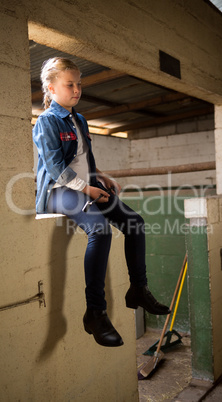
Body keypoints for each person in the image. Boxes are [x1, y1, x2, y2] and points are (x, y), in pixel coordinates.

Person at [33, 57, 170, 348]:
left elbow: (83, 161)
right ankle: (95, 312)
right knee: (100, 229)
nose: (77, 89)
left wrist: (100, 177)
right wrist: (88, 190)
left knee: (134, 222)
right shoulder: (46, 121)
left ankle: (138, 288)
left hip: (86, 186)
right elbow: (57, 168)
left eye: (79, 83)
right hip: (60, 191)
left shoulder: (79, 119)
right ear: (51, 87)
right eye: (70, 84)